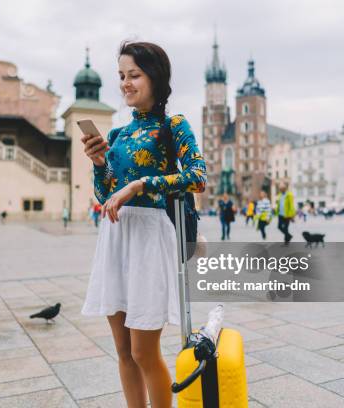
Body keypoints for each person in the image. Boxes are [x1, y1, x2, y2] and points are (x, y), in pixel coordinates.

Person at [80, 41, 206, 408]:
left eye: (134, 75)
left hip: (151, 237)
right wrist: (100, 164)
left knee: (143, 351)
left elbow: (198, 176)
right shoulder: (117, 135)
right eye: (121, 76)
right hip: (116, 237)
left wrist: (141, 185)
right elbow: (106, 195)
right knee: (122, 350)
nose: (125, 83)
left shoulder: (173, 125)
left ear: (155, 77)